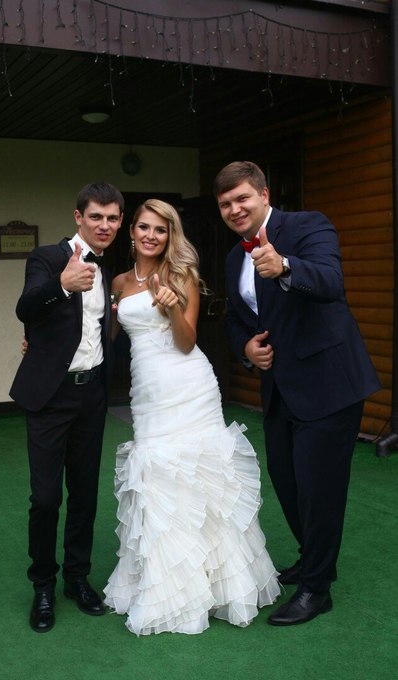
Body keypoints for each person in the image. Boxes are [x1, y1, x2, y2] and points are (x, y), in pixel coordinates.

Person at [214, 161, 381, 626]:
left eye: (242, 198)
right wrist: (245, 348)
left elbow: (331, 281)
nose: (235, 209)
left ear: (264, 195)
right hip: (280, 390)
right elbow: (235, 318)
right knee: (287, 483)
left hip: (329, 385)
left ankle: (316, 589)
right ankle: (312, 559)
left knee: (318, 490)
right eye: (225, 204)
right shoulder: (232, 259)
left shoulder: (308, 226)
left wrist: (285, 266)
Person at [103, 198, 280, 636]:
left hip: (189, 385)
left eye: (160, 229)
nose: (151, 235)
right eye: (144, 227)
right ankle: (164, 583)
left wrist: (169, 306)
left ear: (170, 236)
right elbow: (108, 335)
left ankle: (217, 586)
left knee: (201, 480)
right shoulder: (119, 282)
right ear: (132, 232)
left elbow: (186, 342)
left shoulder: (181, 274)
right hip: (147, 390)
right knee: (157, 479)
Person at [10, 182, 124, 633]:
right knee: (45, 497)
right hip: (50, 397)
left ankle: (77, 578)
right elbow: (25, 307)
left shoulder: (110, 268)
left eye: (112, 218)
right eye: (96, 216)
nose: (104, 225)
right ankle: (43, 585)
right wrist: (61, 284)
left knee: (84, 492)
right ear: (79, 217)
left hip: (91, 394)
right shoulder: (46, 258)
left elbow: (97, 330)